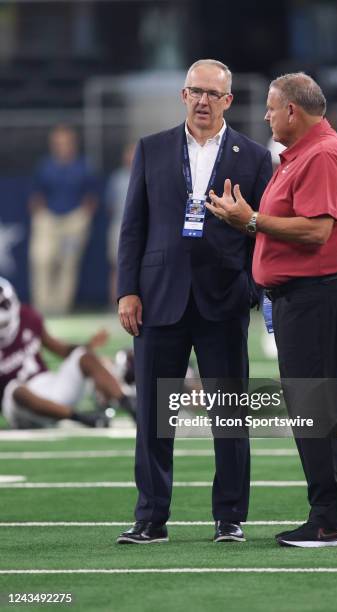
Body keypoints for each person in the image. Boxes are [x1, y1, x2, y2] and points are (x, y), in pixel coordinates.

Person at [116, 59, 272, 544]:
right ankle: (151, 517)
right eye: (194, 91)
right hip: (159, 298)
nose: (202, 100)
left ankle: (230, 517)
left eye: (212, 93)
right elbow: (133, 227)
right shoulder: (152, 148)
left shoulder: (253, 157)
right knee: (153, 419)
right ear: (183, 96)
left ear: (229, 101)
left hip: (223, 299)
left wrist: (249, 288)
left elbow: (262, 234)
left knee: (229, 414)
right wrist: (127, 289)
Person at [207, 72, 337, 548]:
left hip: (317, 296)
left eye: (272, 108)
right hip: (305, 297)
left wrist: (251, 219)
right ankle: (331, 515)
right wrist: (249, 222)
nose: (266, 116)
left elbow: (317, 231)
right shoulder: (306, 154)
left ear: (293, 111)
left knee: (313, 409)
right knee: (310, 408)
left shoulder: (320, 155)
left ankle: (332, 520)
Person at [0, 277, 134, 429]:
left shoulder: (27, 316)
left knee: (82, 355)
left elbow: (61, 349)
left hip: (50, 386)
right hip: (21, 409)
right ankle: (79, 417)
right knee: (14, 389)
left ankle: (128, 403)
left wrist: (88, 346)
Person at [29, 125, 98, 315]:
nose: (62, 146)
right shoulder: (45, 165)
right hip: (49, 220)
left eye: (66, 142)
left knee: (68, 264)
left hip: (74, 222)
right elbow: (36, 193)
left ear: (73, 143)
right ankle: (42, 309)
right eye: (58, 142)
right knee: (42, 260)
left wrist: (84, 216)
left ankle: (61, 309)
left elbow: (92, 195)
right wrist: (39, 214)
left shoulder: (84, 166)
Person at [106, 144, 135, 305]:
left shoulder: (149, 174)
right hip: (119, 226)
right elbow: (110, 205)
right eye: (129, 153)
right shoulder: (117, 178)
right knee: (117, 265)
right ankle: (114, 303)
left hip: (141, 227)